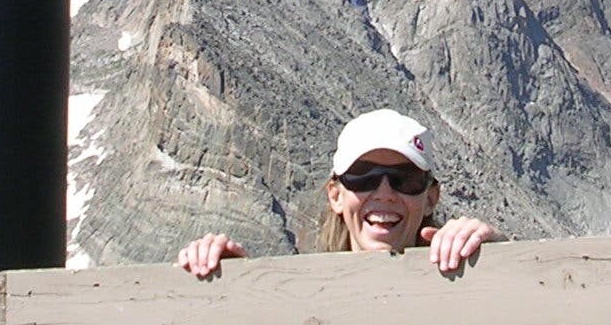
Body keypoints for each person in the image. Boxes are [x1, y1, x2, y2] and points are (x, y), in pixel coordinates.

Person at [176, 108, 501, 277]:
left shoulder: (470, 281)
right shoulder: (301, 300)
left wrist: (500, 257)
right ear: (335, 195)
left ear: (431, 197)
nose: (385, 193)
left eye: (405, 179)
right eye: (363, 177)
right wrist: (228, 278)